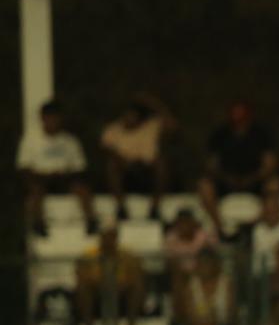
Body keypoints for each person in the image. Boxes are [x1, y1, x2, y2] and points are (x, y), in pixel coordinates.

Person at [17, 99, 96, 236]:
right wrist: (41, 175)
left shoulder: (70, 141)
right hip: (41, 177)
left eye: (56, 117)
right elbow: (23, 167)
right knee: (35, 189)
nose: (53, 121)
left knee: (83, 188)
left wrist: (65, 174)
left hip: (65, 178)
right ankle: (38, 223)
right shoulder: (31, 139)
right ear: (42, 118)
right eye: (49, 117)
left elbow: (80, 167)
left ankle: (91, 220)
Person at [198, 101, 277, 230]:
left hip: (254, 181)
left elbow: (269, 164)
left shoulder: (261, 134)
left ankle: (255, 226)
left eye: (242, 113)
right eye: (235, 113)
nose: (238, 117)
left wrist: (252, 178)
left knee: (274, 184)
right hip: (226, 181)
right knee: (204, 185)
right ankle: (220, 227)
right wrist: (227, 178)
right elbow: (211, 165)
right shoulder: (220, 135)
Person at [101, 93, 177, 219]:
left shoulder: (151, 126)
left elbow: (172, 124)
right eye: (127, 115)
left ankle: (155, 208)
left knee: (161, 164)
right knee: (112, 165)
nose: (129, 118)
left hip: (147, 171)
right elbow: (107, 151)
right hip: (126, 172)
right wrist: (125, 162)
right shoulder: (113, 130)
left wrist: (153, 104)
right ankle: (121, 208)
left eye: (133, 115)